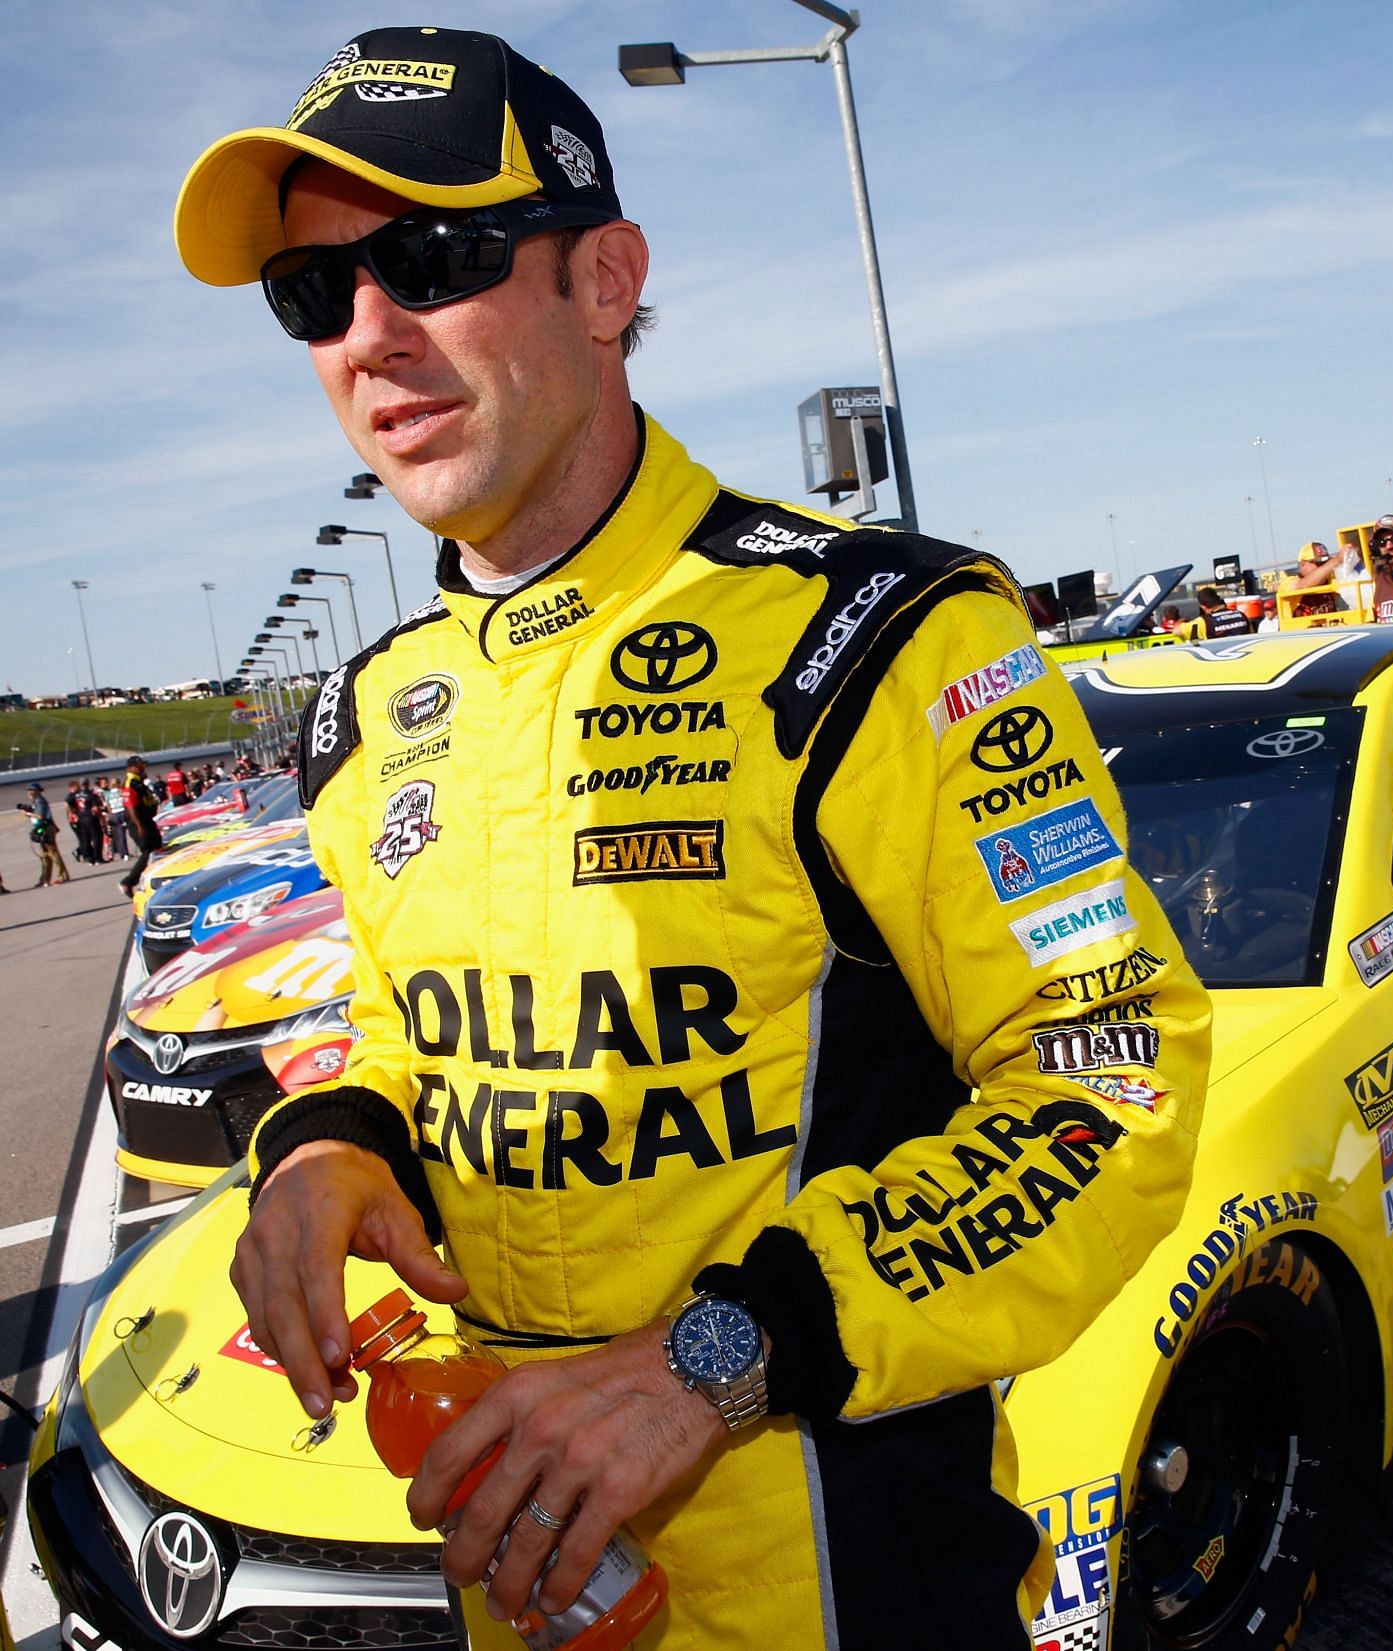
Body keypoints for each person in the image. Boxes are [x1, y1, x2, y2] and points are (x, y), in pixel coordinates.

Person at [176, 28, 1209, 1651]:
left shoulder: (892, 642)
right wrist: (329, 1147)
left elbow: (1115, 1073)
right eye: (315, 295)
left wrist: (715, 1361)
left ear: (606, 278)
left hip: (862, 1590)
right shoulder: (371, 719)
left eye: (431, 258)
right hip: (532, 1594)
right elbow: (404, 1016)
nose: (370, 335)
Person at [119, 757, 165, 897]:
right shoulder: (130, 783)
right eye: (140, 766)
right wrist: (139, 826)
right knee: (149, 852)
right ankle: (128, 882)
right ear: (132, 767)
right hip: (139, 822)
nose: (143, 768)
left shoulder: (138, 781)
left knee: (158, 849)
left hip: (147, 820)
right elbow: (131, 806)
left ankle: (154, 881)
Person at [18, 784, 70, 886]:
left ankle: (62, 876)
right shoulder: (36, 801)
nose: (29, 792)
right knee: (45, 855)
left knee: (53, 853)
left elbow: (40, 816)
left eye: (31, 790)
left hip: (46, 828)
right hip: (42, 828)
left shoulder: (40, 801)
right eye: (28, 790)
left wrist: (28, 814)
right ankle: (45, 879)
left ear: (37, 791)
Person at [1285, 541, 1344, 621]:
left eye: (1325, 563)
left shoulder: (1329, 579)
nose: (1324, 568)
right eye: (1319, 564)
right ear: (1303, 564)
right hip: (1300, 632)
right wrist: (1335, 561)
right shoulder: (1288, 582)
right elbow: (1303, 584)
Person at [100, 776, 129, 860]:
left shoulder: (108, 794)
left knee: (119, 835)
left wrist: (111, 813)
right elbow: (125, 802)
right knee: (125, 834)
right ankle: (125, 853)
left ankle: (123, 853)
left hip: (114, 814)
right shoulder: (121, 791)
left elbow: (108, 806)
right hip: (122, 812)